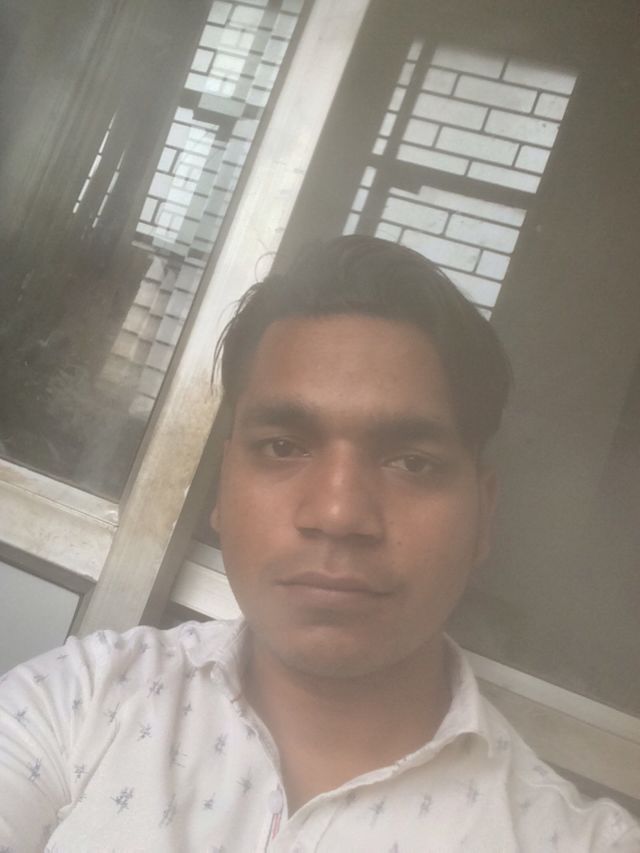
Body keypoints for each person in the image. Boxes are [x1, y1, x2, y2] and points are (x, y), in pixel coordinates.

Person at [0, 236, 638, 851]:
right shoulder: (81, 702)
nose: (338, 513)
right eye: (283, 447)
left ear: (484, 515)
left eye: (412, 462)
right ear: (222, 485)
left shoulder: (572, 840)